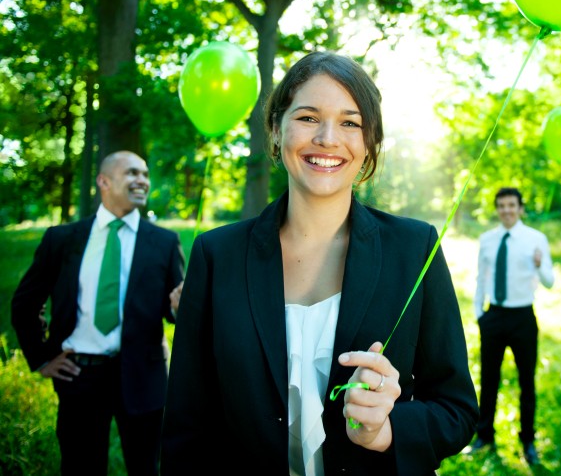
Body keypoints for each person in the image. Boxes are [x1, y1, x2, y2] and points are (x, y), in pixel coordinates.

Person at [161, 51, 478, 476]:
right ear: (277, 130)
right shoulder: (216, 255)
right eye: (308, 117)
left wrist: (386, 431)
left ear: (369, 144)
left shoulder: (415, 248)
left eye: (350, 123)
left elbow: (456, 409)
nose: (328, 138)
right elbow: (186, 426)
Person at [11, 151, 185, 476]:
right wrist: (42, 358)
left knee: (147, 468)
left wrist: (180, 308)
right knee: (80, 467)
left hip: (144, 376)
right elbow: (25, 303)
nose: (142, 181)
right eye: (132, 173)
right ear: (104, 181)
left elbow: (175, 310)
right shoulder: (62, 239)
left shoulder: (164, 242)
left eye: (145, 174)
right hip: (80, 376)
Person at [467, 187, 554, 465]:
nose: (507, 210)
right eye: (502, 205)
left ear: (520, 208)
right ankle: (484, 436)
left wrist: (540, 265)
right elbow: (481, 278)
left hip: (523, 318)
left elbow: (550, 281)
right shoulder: (487, 240)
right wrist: (479, 314)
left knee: (526, 381)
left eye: (511, 205)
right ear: (497, 209)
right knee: (488, 378)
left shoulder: (536, 239)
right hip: (493, 317)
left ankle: (528, 440)